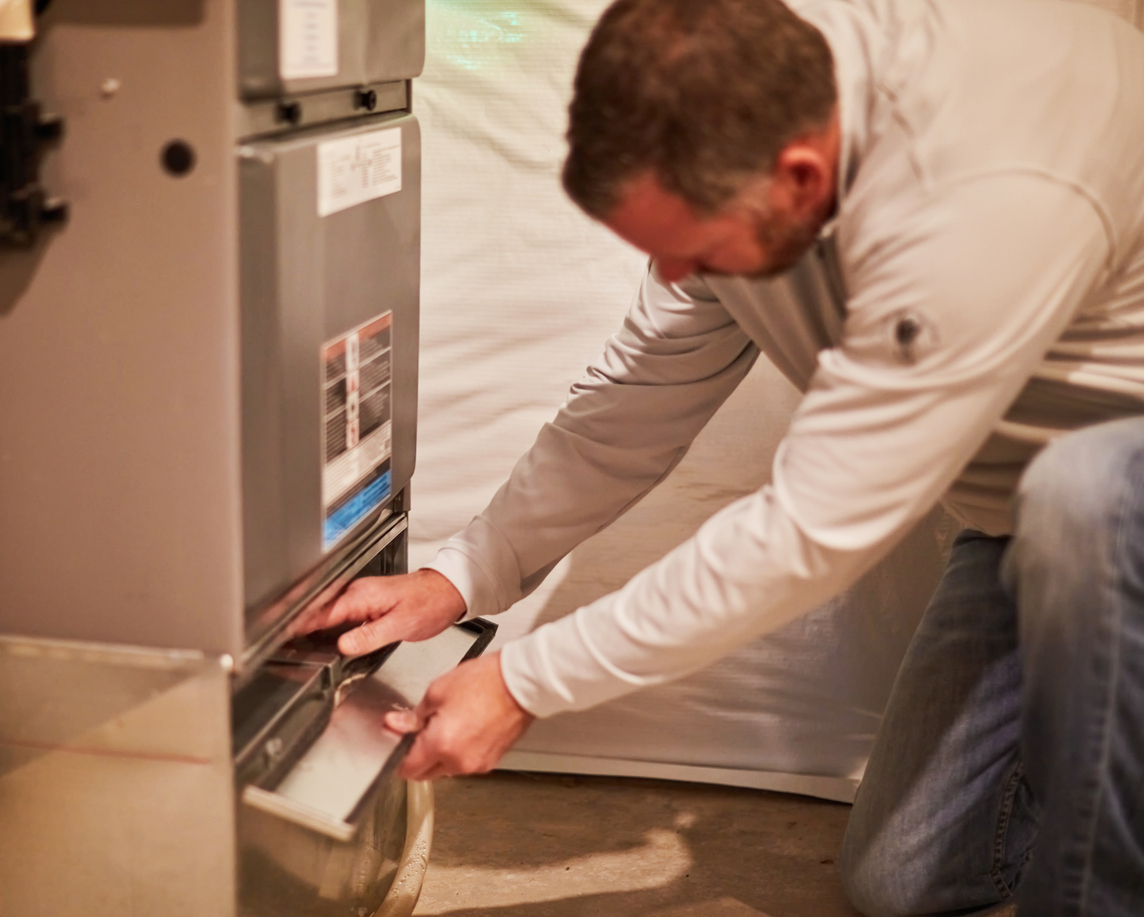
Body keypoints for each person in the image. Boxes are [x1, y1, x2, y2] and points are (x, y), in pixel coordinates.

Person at [302, 0, 1144, 912]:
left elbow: (811, 528)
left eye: (691, 251)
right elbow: (625, 412)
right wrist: (459, 575)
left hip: (1106, 497)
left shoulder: (978, 190)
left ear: (799, 174)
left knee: (1084, 491)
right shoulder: (754, 109)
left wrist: (524, 679)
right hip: (1020, 521)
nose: (671, 278)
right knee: (905, 879)